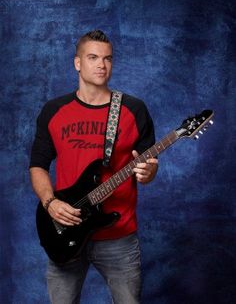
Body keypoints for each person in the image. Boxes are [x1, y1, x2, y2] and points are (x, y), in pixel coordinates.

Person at [29, 29, 158, 304]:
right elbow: (38, 165)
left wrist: (149, 172)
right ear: (78, 63)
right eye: (93, 57)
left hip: (119, 235)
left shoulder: (134, 109)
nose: (102, 65)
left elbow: (148, 165)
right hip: (65, 228)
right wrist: (50, 202)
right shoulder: (54, 110)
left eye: (108, 58)